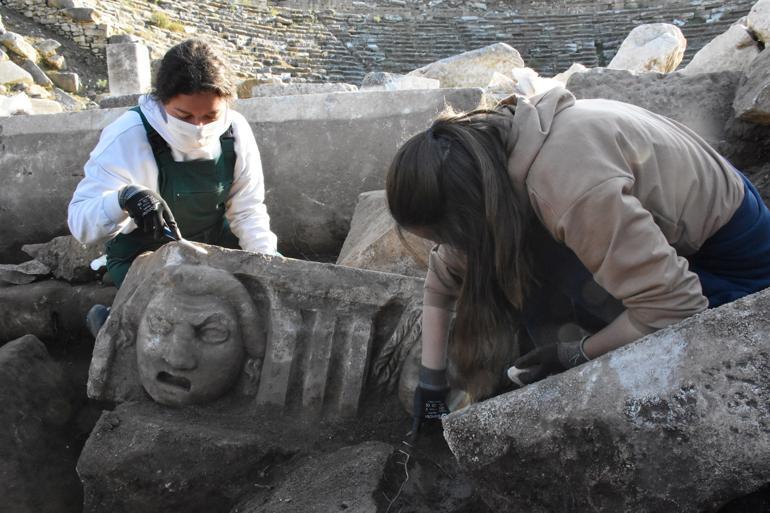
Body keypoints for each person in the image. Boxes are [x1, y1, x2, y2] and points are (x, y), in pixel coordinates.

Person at [386, 87, 770, 427]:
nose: (449, 246)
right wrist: (431, 381)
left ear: (468, 211)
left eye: (448, 235)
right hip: (667, 242)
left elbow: (675, 308)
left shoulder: (569, 188)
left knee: (532, 268)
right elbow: (443, 282)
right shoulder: (487, 158)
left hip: (736, 266)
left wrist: (573, 355)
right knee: (513, 261)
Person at [68, 39, 278, 335]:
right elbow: (80, 224)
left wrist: (267, 265)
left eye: (210, 116)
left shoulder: (235, 130)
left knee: (251, 311)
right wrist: (123, 199)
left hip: (212, 246)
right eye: (184, 116)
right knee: (179, 320)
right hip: (145, 255)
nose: (198, 127)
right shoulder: (128, 134)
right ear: (162, 101)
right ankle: (114, 322)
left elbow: (248, 209)